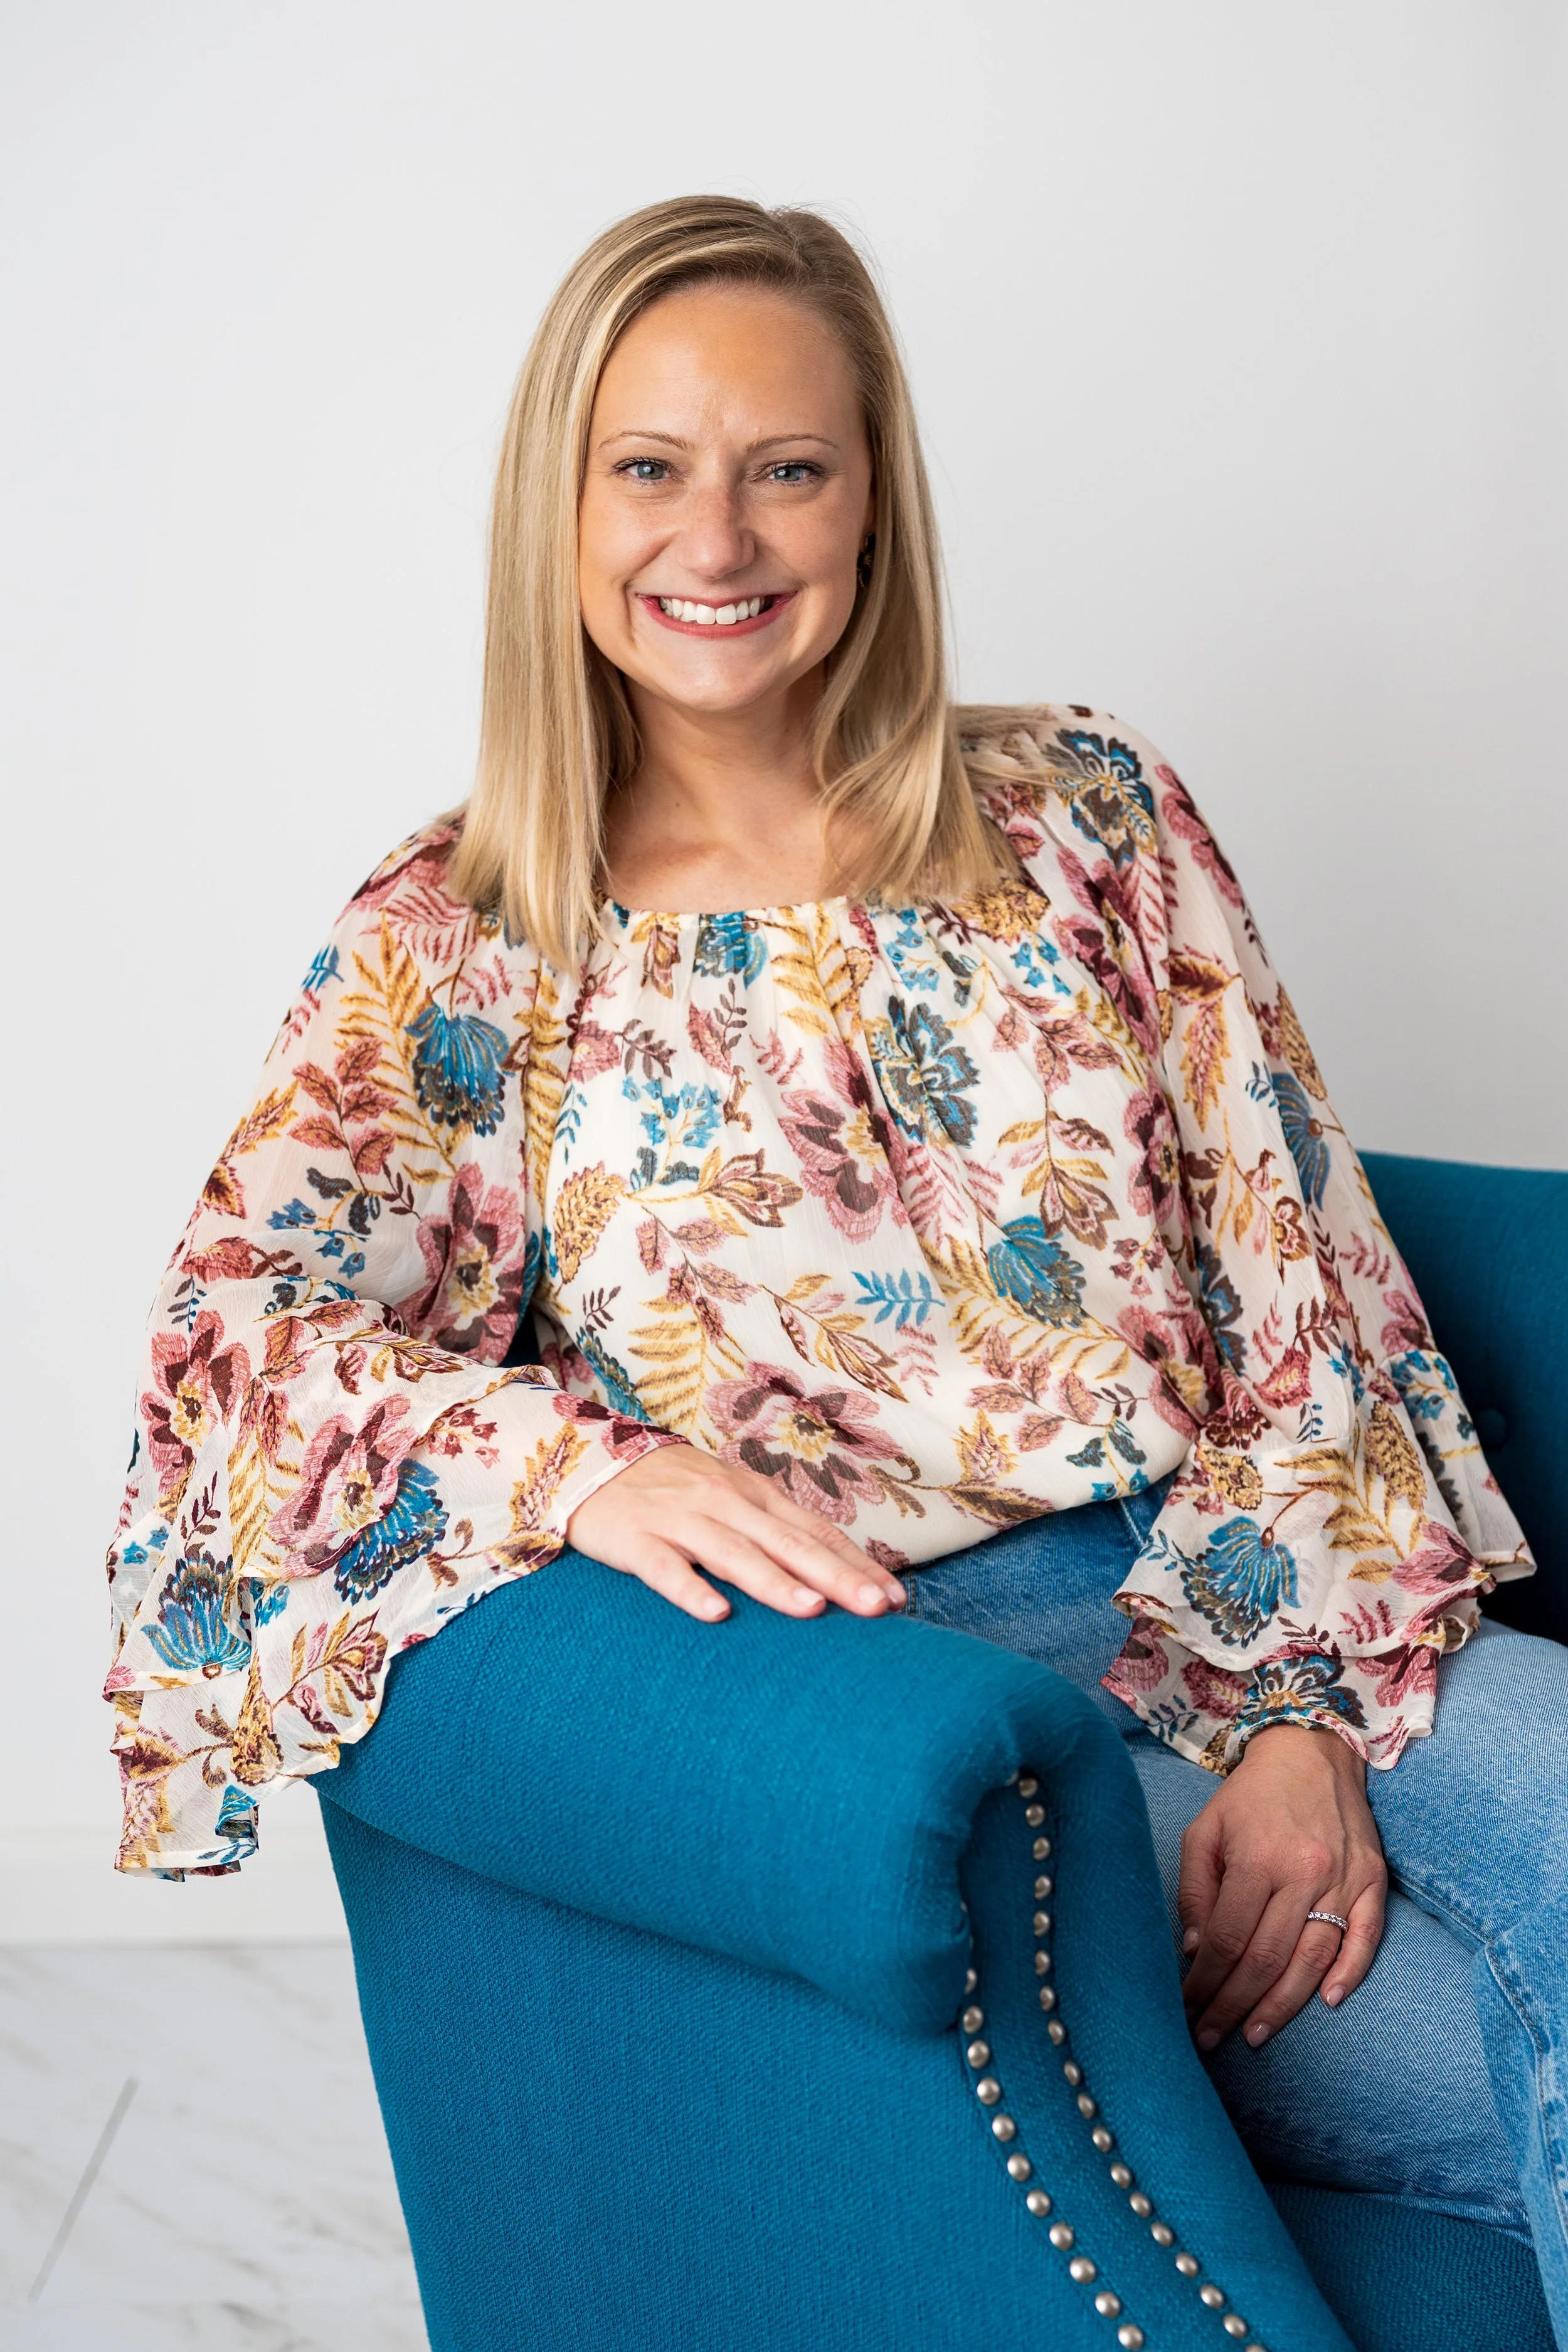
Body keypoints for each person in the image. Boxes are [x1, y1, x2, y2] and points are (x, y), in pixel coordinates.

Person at [106, 195, 1564, 2320]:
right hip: (901, 1700)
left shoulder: (1090, 822)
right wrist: (577, 1468)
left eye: (786, 464)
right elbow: (229, 1358)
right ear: (560, 502)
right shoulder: (462, 933)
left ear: (873, 501)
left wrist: (1303, 1716)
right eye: (650, 467)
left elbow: (1299, 1270)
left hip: (1237, 1591)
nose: (721, 534)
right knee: (1470, 2060)